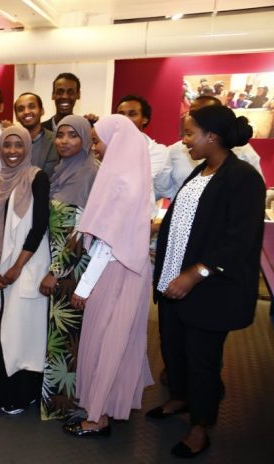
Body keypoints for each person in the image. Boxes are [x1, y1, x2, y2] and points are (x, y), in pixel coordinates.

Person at [150, 105, 264, 458]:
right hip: (172, 281)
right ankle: (179, 398)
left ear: (212, 136)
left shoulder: (243, 177)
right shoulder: (200, 171)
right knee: (173, 348)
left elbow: (238, 240)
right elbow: (187, 222)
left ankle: (200, 427)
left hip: (208, 288)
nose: (184, 141)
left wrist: (195, 273)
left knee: (202, 360)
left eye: (189, 134)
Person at [62, 115, 153, 437]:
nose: (95, 147)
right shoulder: (134, 175)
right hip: (131, 272)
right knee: (119, 342)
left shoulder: (121, 182)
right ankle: (104, 406)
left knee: (104, 344)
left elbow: (106, 244)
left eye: (98, 140)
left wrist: (84, 287)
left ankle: (97, 417)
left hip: (114, 273)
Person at [0, 126, 50, 414]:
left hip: (25, 267)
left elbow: (39, 226)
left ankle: (19, 395)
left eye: (19, 145)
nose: (12, 151)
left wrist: (18, 266)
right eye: (7, 145)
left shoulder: (37, 177)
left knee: (21, 335)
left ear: (27, 148)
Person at [38, 115, 98, 421]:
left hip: (73, 267)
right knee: (61, 336)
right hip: (58, 261)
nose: (64, 141)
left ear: (85, 139)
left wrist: (57, 270)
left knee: (67, 339)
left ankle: (66, 405)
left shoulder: (91, 173)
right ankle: (60, 402)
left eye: (72, 135)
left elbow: (82, 232)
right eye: (60, 135)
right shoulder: (62, 170)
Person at [157, 95, 263, 200]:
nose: (197, 118)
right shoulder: (177, 151)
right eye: (193, 113)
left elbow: (254, 194)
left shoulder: (244, 157)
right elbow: (165, 189)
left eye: (205, 114)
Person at [116, 94, 170, 199]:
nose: (125, 119)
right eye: (121, 114)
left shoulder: (159, 152)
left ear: (145, 119)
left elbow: (162, 189)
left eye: (132, 114)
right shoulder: (105, 147)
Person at [14, 92, 58, 178]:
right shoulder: (11, 145)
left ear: (42, 111)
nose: (26, 112)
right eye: (21, 109)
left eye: (31, 107)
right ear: (16, 116)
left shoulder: (57, 141)